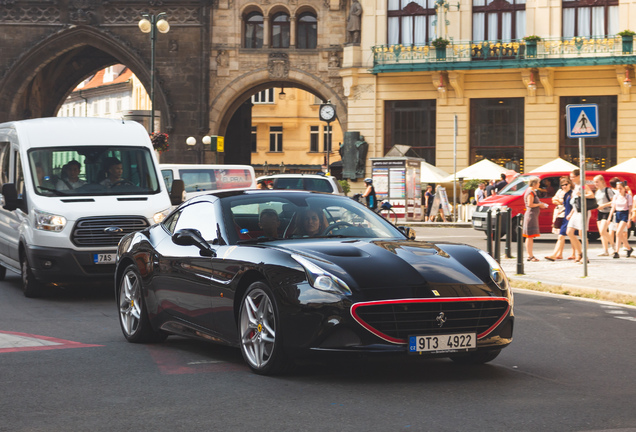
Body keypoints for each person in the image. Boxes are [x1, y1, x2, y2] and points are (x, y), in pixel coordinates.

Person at [566, 169, 594, 263]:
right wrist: (571, 213)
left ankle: (584, 256)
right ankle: (579, 253)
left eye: (572, 177)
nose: (571, 179)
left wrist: (582, 195)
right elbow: (575, 202)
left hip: (583, 212)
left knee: (582, 234)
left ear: (578, 176)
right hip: (576, 212)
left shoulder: (582, 185)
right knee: (569, 231)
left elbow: (591, 195)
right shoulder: (575, 186)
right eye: (570, 177)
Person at [545, 177, 575, 261]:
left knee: (572, 236)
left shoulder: (572, 193)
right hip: (563, 215)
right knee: (561, 236)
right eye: (562, 185)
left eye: (566, 184)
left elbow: (573, 206)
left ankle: (577, 254)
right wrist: (559, 201)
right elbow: (554, 200)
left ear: (570, 184)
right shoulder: (564, 193)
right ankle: (556, 254)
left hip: (569, 217)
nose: (564, 186)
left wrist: (569, 214)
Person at [522, 176, 548, 262]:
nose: (539, 184)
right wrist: (540, 205)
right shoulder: (530, 192)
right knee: (530, 236)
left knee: (529, 237)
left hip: (532, 215)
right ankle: (530, 256)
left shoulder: (532, 191)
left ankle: (530, 255)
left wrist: (540, 204)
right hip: (531, 216)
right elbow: (530, 204)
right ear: (535, 183)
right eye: (538, 183)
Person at [607, 180, 633, 258]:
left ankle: (619, 250)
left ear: (624, 188)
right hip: (617, 213)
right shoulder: (616, 196)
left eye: (620, 188)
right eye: (618, 188)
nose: (619, 190)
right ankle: (626, 249)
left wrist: (629, 220)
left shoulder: (628, 196)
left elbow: (630, 208)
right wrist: (609, 217)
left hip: (624, 213)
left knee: (618, 233)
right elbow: (613, 207)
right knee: (619, 234)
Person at [593, 175, 614, 256]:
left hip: (607, 212)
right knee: (601, 233)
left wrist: (603, 205)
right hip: (600, 212)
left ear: (602, 181)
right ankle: (605, 250)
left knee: (603, 230)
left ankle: (612, 246)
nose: (595, 184)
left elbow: (613, 202)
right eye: (594, 182)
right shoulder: (597, 192)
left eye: (597, 182)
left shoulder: (607, 190)